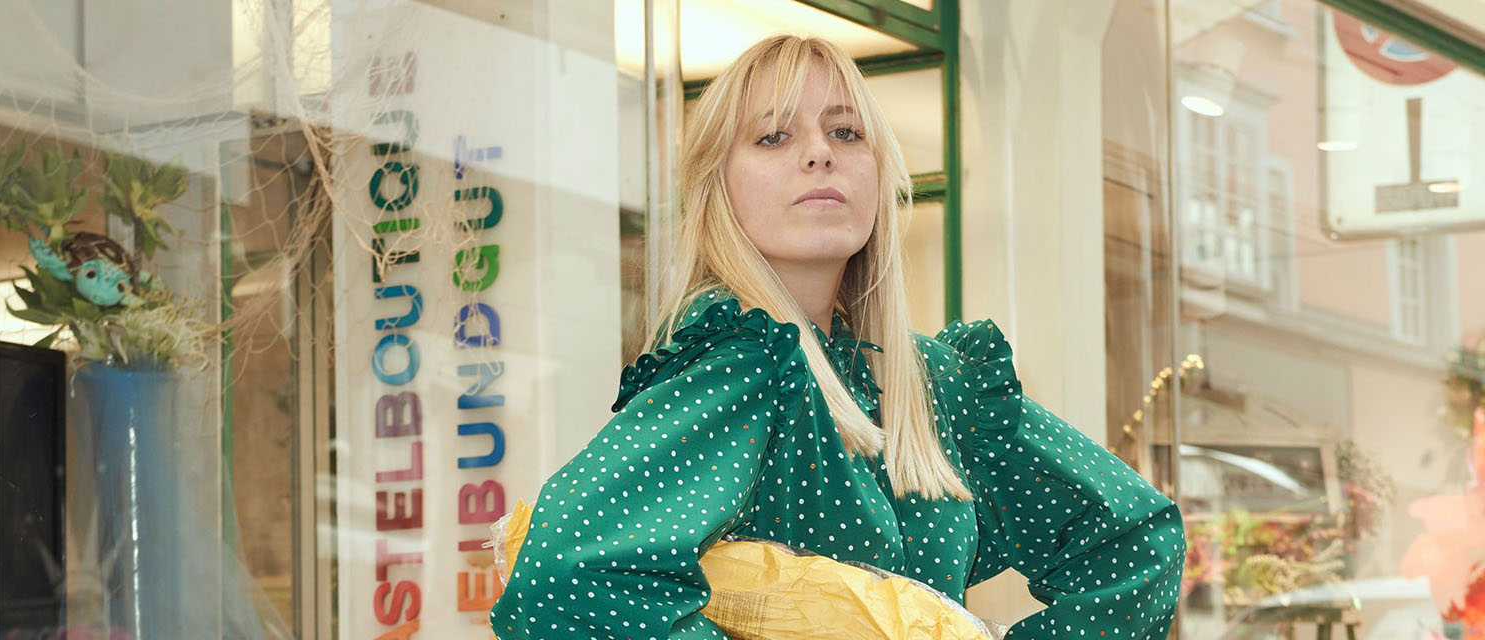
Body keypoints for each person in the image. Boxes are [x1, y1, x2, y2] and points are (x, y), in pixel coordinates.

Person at [488, 34, 1186, 639]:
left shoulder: (933, 383)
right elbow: (564, 578)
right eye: (773, 136)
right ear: (717, 187)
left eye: (846, 133)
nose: (820, 154)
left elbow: (1135, 542)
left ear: (880, 172)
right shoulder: (744, 363)